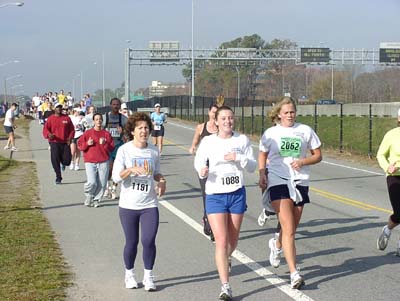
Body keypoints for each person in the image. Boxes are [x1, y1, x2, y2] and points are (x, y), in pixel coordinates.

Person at [258, 96, 322, 289]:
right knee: (290, 229)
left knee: (291, 226)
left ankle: (277, 245)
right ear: (279, 114)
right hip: (278, 180)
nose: (289, 115)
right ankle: (294, 273)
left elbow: (318, 155)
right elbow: (262, 154)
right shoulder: (271, 133)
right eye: (286, 112)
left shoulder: (305, 131)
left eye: (292, 112)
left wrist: (302, 162)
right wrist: (262, 173)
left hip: (300, 181)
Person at [194, 105, 256, 300]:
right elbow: (198, 161)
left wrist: (239, 158)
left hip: (237, 193)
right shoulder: (208, 142)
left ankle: (227, 257)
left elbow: (253, 166)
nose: (228, 121)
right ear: (217, 121)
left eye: (230, 118)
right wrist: (201, 170)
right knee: (220, 240)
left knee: (233, 239)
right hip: (215, 194)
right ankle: (225, 286)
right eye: (224, 118)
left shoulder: (242, 140)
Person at [112, 112, 166, 291]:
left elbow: (156, 172)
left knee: (149, 240)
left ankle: (149, 276)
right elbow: (116, 177)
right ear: (133, 131)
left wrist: (162, 180)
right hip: (128, 205)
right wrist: (130, 169)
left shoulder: (153, 151)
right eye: (140, 128)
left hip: (149, 204)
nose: (144, 131)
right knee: (132, 241)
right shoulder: (124, 150)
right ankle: (129, 274)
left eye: (146, 128)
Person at [189, 103, 219, 240]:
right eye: (213, 112)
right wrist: (193, 148)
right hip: (204, 168)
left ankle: (213, 223)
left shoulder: (222, 128)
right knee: (207, 196)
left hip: (218, 168)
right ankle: (209, 224)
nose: (215, 115)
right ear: (209, 112)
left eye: (217, 112)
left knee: (217, 196)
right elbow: (195, 142)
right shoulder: (201, 127)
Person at [376, 109, 400, 256]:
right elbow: (380, 154)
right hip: (394, 176)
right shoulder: (391, 135)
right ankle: (387, 229)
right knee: (399, 212)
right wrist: (387, 167)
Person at [78, 113, 114, 208]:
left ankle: (96, 199)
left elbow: (111, 148)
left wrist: (105, 143)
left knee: (102, 182)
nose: (98, 121)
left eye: (100, 119)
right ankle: (89, 195)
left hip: (103, 161)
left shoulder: (106, 134)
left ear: (102, 121)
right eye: (96, 119)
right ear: (93, 121)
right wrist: (87, 144)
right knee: (92, 182)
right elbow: (80, 145)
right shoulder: (88, 133)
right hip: (90, 161)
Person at [42, 102, 75, 184]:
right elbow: (45, 129)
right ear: (54, 109)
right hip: (54, 142)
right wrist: (49, 135)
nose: (59, 109)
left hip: (65, 142)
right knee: (55, 159)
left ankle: (63, 163)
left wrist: (70, 138)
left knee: (67, 160)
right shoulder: (50, 119)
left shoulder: (66, 118)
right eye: (57, 107)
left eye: (60, 107)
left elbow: (72, 129)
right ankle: (58, 177)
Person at [103, 98, 128, 199]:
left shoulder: (123, 119)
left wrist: (122, 132)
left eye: (117, 104)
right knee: (109, 168)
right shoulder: (105, 117)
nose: (116, 106)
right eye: (114, 104)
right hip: (108, 146)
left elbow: (128, 133)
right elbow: (99, 128)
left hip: (119, 146)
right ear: (110, 105)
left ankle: (114, 188)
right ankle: (106, 187)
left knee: (117, 169)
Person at [69, 105, 85, 170]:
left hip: (80, 134)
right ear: (74, 111)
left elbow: (84, 126)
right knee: (73, 151)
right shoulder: (70, 117)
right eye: (77, 112)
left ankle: (77, 164)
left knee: (78, 150)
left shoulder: (82, 118)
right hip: (73, 135)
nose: (78, 113)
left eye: (79, 112)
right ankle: (72, 162)